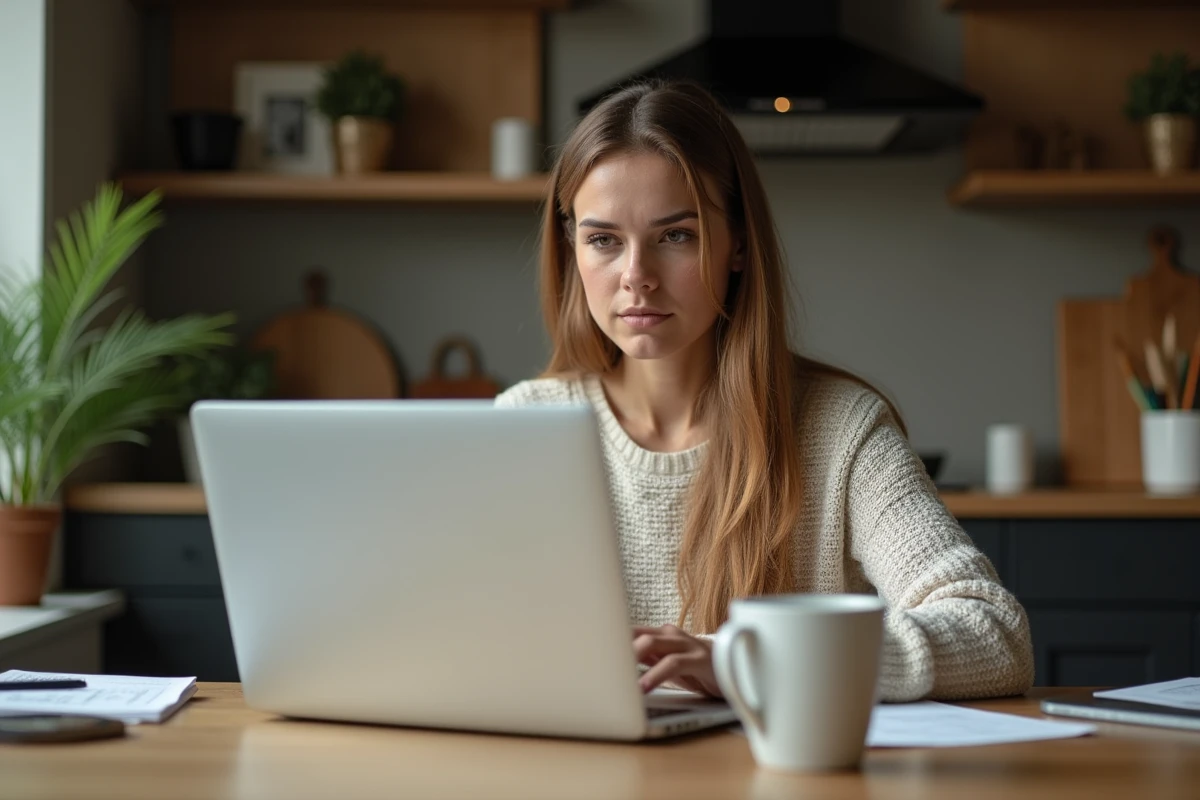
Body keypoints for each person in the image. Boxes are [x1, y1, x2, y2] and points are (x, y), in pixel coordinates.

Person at [494, 79, 1034, 703]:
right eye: (604, 240)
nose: (635, 276)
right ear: (572, 250)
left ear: (739, 247)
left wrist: (755, 662)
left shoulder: (840, 431)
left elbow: (994, 633)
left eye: (677, 235)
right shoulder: (520, 428)